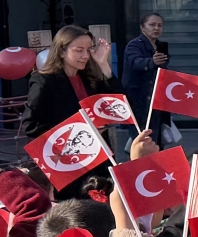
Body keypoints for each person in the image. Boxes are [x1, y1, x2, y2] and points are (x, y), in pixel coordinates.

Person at [23, 26, 125, 140]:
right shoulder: (44, 81)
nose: (85, 56)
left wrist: (103, 64)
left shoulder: (90, 78)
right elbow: (30, 126)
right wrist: (74, 133)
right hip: (66, 153)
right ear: (62, 52)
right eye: (79, 50)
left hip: (99, 151)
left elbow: (122, 105)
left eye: (88, 50)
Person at [120, 13, 169, 141]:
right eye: (152, 25)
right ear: (142, 28)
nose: (156, 28)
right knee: (141, 138)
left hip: (155, 98)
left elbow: (163, 69)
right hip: (137, 99)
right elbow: (135, 61)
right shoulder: (134, 45)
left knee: (156, 138)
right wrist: (151, 61)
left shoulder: (161, 46)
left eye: (160, 25)